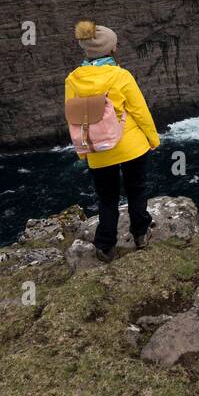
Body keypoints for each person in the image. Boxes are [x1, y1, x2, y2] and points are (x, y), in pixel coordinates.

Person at [65, 19, 159, 255]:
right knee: (136, 189)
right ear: (112, 49)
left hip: (98, 149)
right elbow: (140, 111)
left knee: (107, 199)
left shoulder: (73, 79)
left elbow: (74, 117)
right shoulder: (121, 76)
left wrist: (82, 150)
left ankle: (105, 245)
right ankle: (140, 234)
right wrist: (153, 139)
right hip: (131, 146)